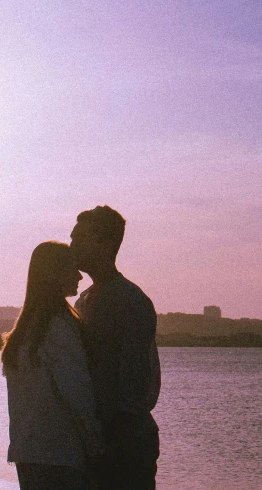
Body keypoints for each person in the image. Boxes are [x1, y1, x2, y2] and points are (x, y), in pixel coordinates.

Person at [70, 205, 161, 489]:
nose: (71, 246)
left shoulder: (130, 301)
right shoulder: (83, 301)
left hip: (123, 444)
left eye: (79, 238)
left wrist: (106, 435)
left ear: (104, 243)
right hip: (98, 440)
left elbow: (135, 380)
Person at [2, 241, 104, 490]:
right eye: (71, 268)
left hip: (28, 454)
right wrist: (97, 445)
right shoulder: (57, 327)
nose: (79, 275)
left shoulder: (24, 333)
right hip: (59, 457)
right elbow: (77, 391)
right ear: (55, 273)